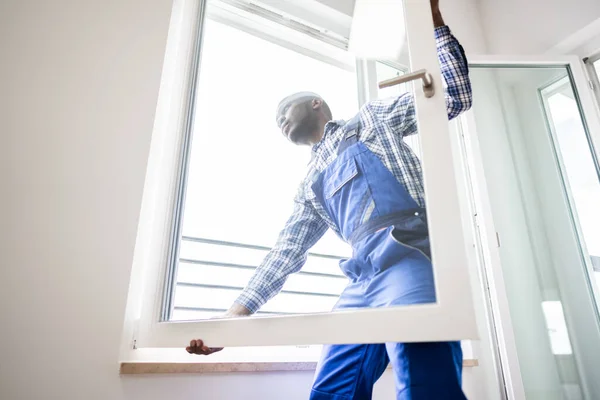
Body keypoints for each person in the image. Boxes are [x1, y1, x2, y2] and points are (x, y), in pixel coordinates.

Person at [187, 1, 472, 398]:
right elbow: (284, 253)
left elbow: (454, 94)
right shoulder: (308, 186)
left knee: (423, 374)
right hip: (360, 281)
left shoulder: (371, 120)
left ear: (316, 103)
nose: (279, 120)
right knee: (331, 390)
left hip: (410, 256)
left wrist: (434, 24)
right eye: (277, 121)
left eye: (283, 110)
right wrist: (232, 319)